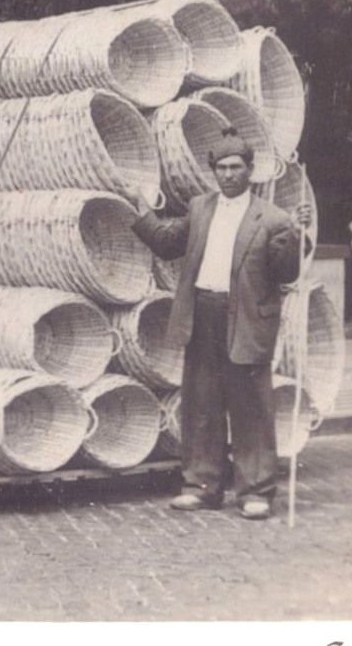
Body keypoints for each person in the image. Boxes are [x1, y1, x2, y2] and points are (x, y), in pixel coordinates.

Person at [131, 127, 311, 521]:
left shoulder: (274, 218)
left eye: (236, 167)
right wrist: (142, 210)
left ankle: (255, 490)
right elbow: (165, 242)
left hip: (246, 319)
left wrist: (297, 235)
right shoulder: (200, 208)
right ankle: (201, 485)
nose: (228, 175)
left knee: (251, 408)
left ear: (250, 170)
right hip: (202, 314)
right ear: (213, 171)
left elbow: (285, 272)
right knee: (201, 404)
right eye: (222, 168)